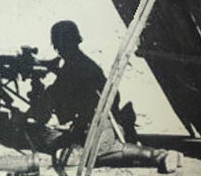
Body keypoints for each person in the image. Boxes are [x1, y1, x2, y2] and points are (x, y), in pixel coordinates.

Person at [35, 20, 182, 174]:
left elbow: (56, 107)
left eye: (60, 45)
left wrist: (41, 91)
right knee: (64, 145)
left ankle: (161, 156)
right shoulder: (79, 63)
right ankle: (162, 154)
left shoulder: (74, 68)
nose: (59, 50)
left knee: (98, 153)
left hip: (100, 126)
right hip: (93, 124)